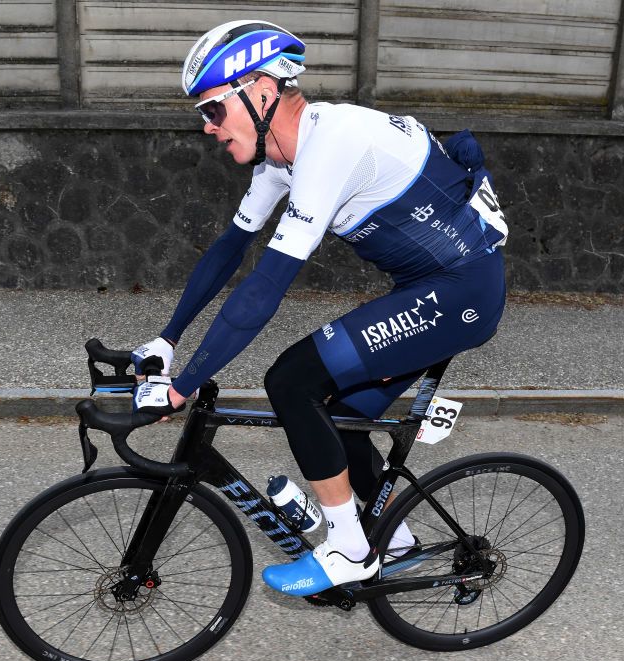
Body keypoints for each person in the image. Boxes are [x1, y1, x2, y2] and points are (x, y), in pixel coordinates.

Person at [130, 20, 508, 596]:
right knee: (338, 419)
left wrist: (183, 387)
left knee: (292, 380)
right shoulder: (280, 158)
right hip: (427, 288)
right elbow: (231, 248)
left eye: (211, 110)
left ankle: (350, 551)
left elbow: (266, 287)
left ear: (259, 90)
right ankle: (395, 540)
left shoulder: (332, 144)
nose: (208, 128)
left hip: (462, 294)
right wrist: (168, 338)